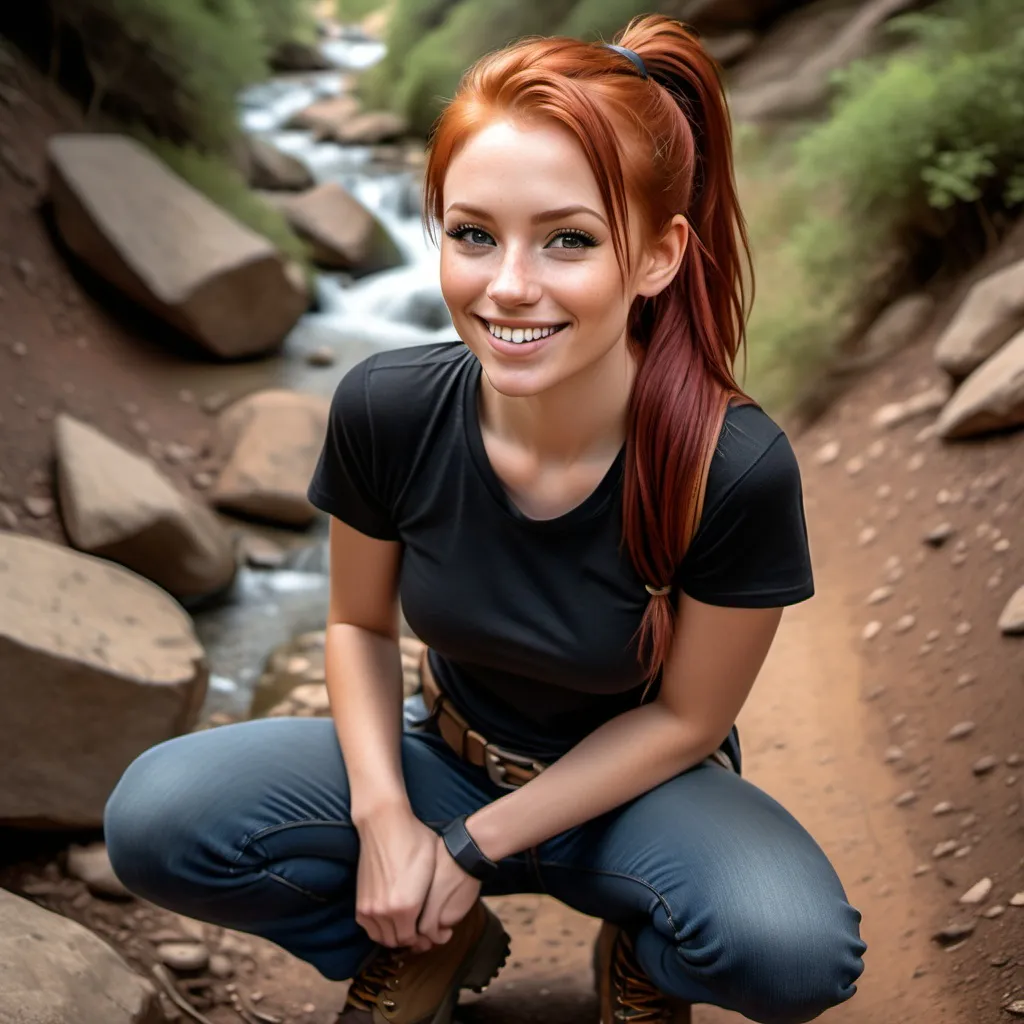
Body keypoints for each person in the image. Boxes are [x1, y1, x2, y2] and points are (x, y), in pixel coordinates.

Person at [104, 15, 866, 1024]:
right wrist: (385, 820)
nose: (508, 285)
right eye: (473, 234)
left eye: (568, 239)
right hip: (442, 761)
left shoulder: (729, 467)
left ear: (655, 256)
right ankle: (424, 939)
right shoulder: (388, 407)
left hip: (639, 801)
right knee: (159, 816)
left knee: (791, 951)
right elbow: (359, 626)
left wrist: (475, 844)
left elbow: (689, 718)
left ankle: (646, 954)